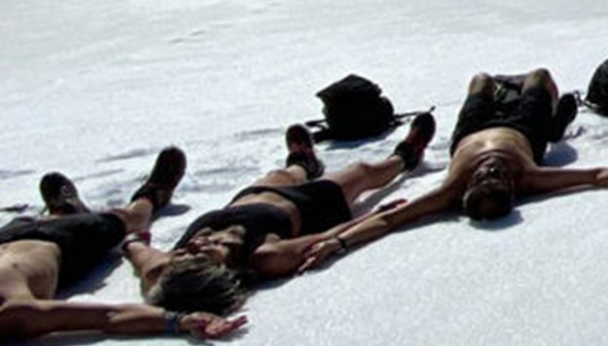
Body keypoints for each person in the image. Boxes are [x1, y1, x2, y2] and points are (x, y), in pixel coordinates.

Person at [295, 68, 608, 271]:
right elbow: (595, 177)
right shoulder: (528, 177)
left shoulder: (450, 190)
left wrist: (339, 241)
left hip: (469, 134)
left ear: (469, 187)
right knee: (541, 77)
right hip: (523, 131)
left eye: (483, 178)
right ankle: (549, 124)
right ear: (511, 187)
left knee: (481, 80)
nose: (490, 171)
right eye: (497, 178)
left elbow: (391, 220)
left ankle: (507, 90)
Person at [132, 117, 435, 314]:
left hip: (250, 198)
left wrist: (133, 239)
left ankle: (302, 163)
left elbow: (137, 250)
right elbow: (326, 237)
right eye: (198, 255)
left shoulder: (164, 272)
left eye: (184, 251)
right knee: (362, 173)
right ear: (221, 270)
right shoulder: (264, 255)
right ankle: (404, 156)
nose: (193, 245)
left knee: (280, 173)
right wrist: (374, 217)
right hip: (312, 205)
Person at [1, 150, 245, 343]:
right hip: (67, 243)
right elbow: (109, 316)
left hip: (10, 234)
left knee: (42, 219)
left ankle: (63, 208)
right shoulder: (14, 312)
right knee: (128, 221)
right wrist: (179, 320)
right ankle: (151, 195)